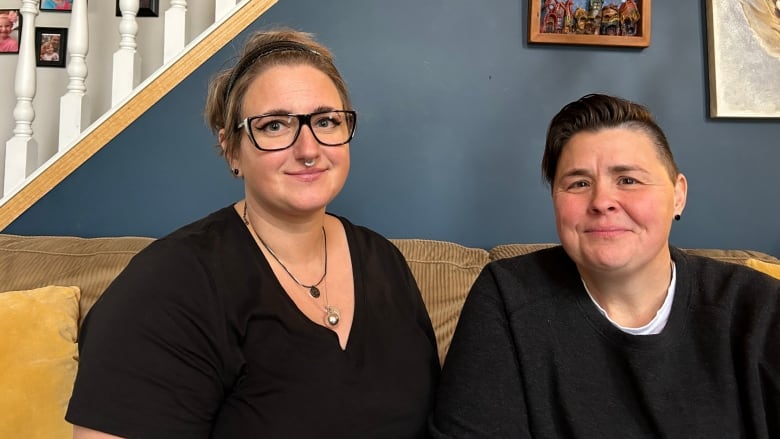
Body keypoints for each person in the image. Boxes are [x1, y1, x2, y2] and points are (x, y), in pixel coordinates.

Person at [66, 28, 439, 438]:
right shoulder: (170, 284)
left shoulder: (385, 262)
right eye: (275, 125)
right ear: (231, 150)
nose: (309, 148)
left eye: (326, 121)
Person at [429, 93, 780, 438]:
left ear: (678, 194)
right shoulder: (507, 297)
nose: (601, 202)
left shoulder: (758, 305)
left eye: (628, 180)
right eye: (579, 183)